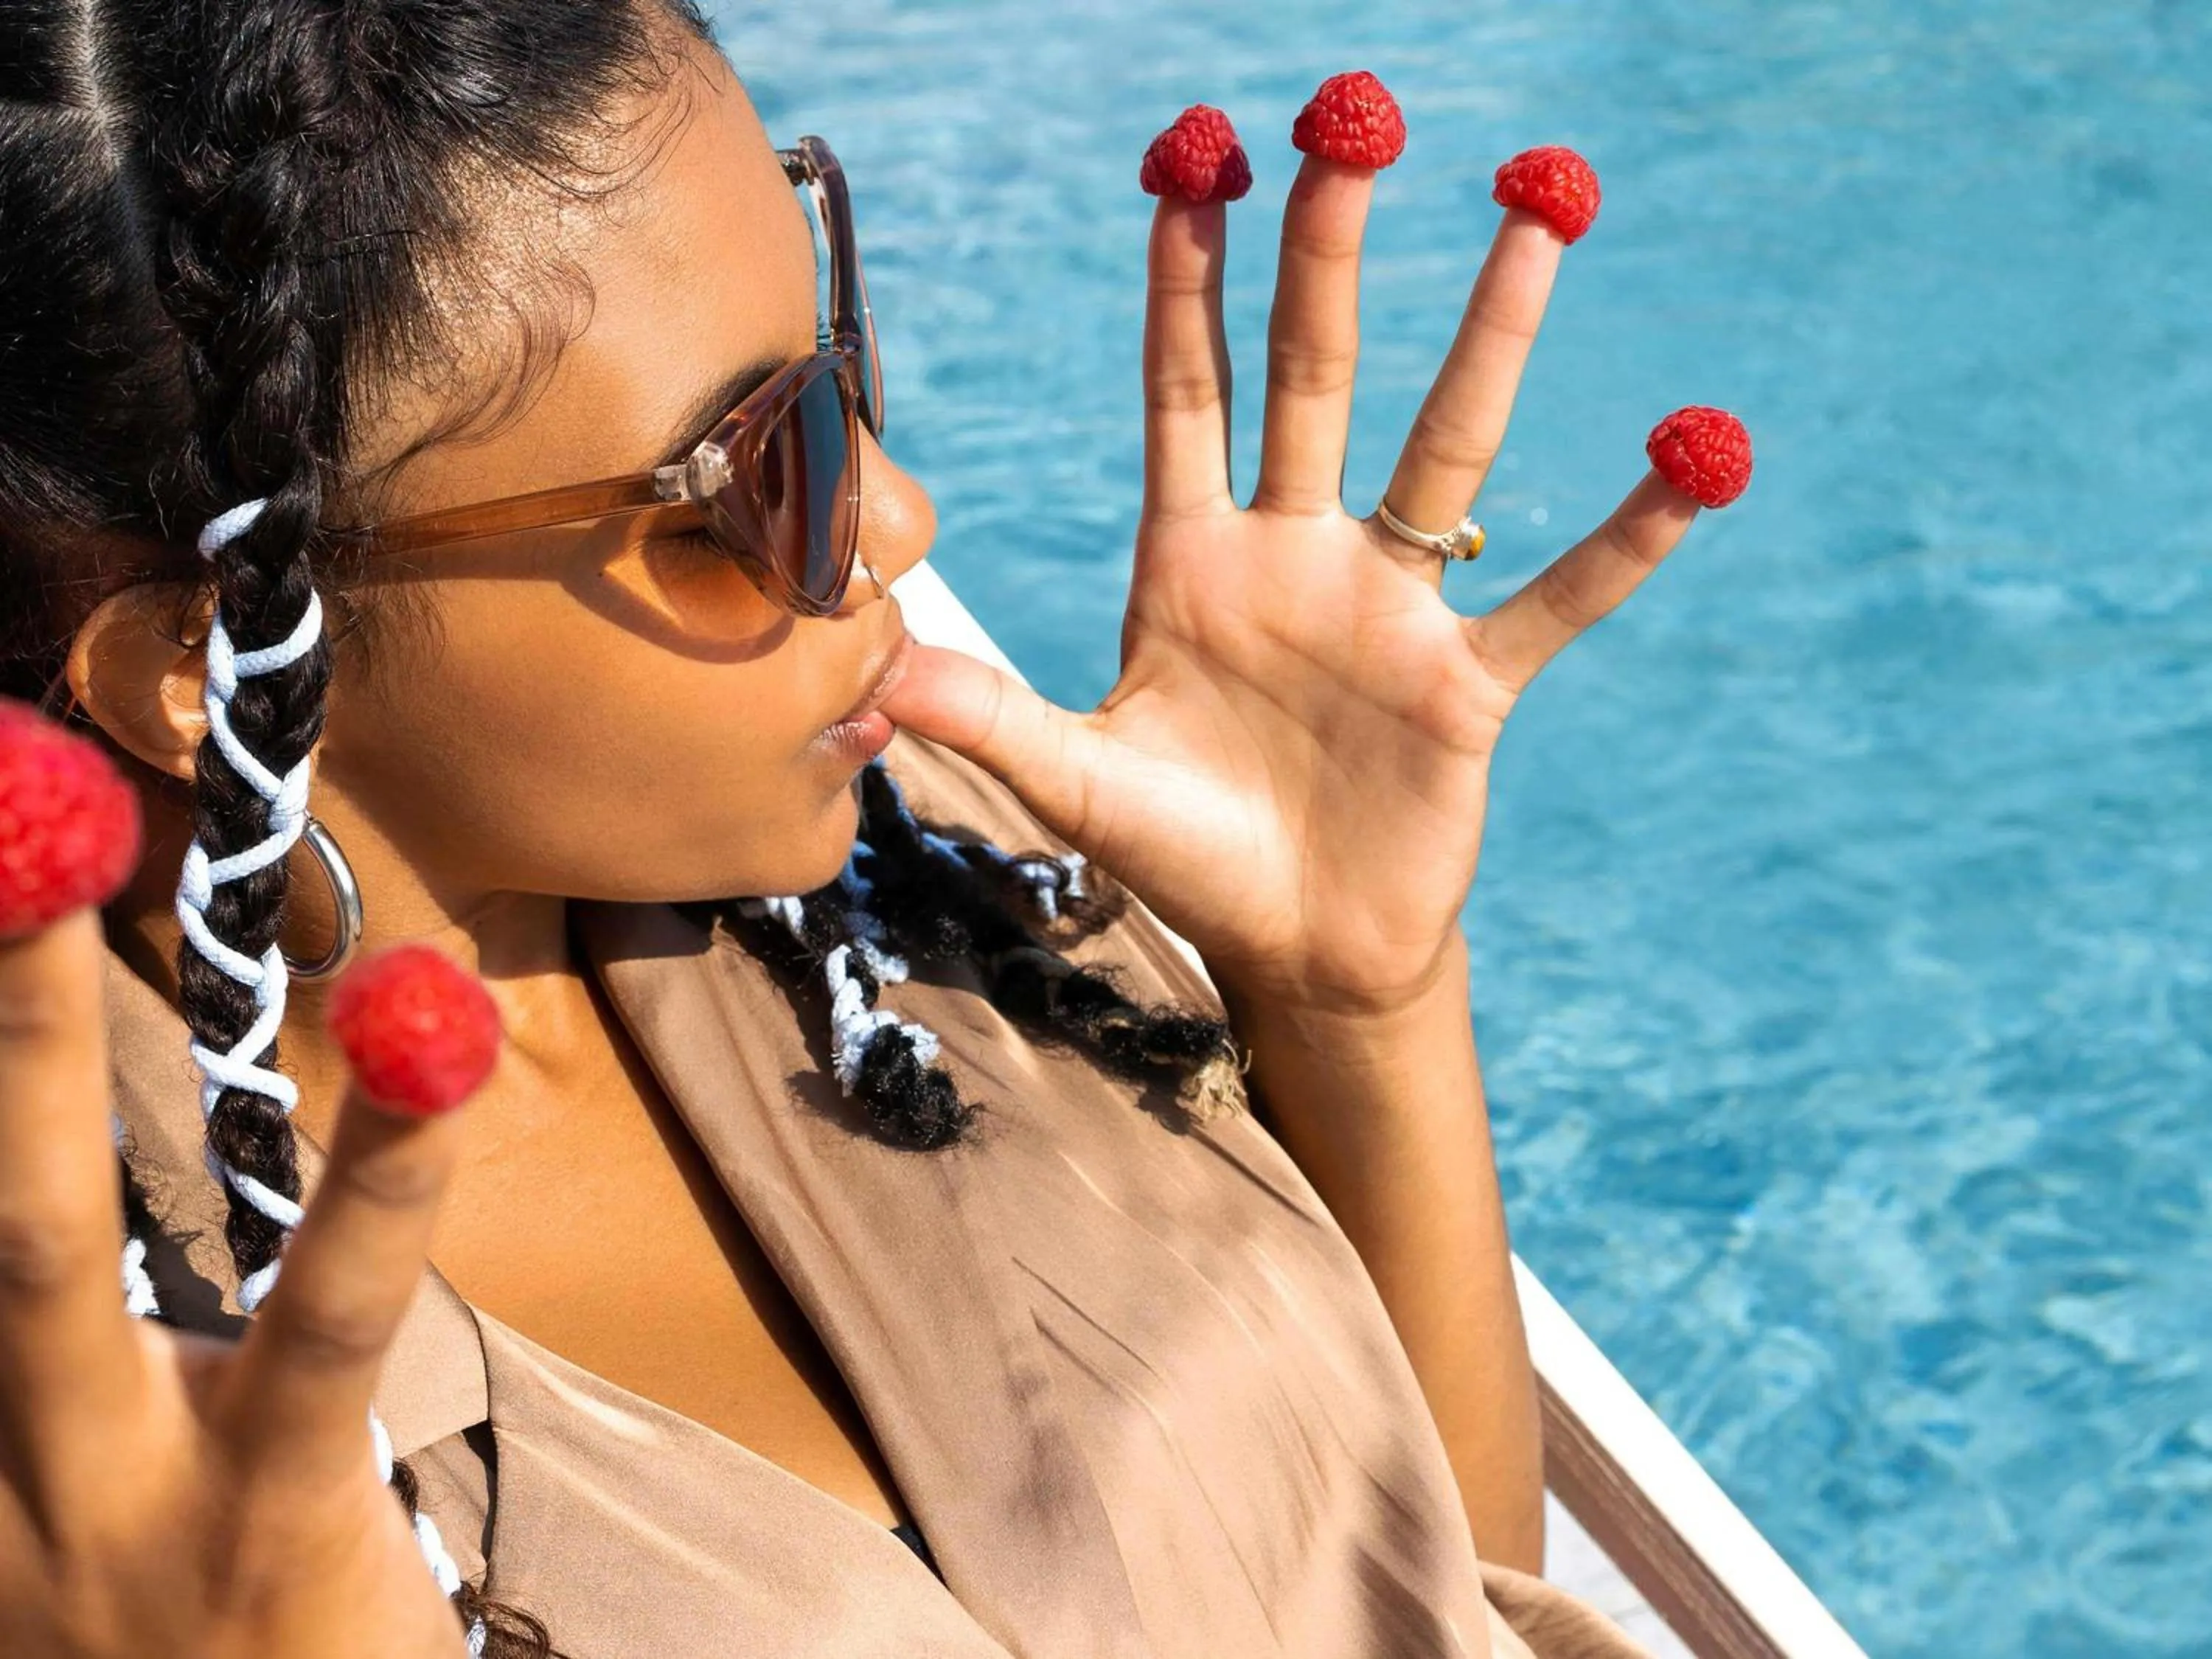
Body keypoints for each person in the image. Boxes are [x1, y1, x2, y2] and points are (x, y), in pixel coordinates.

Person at [0, 2, 1730, 1654]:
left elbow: (1439, 1597)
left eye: (836, 369)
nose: (901, 518)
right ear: (216, 663)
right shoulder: (124, 1456)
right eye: (757, 475)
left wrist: (1358, 996)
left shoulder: (928, 890)